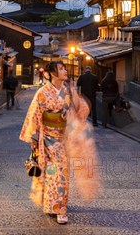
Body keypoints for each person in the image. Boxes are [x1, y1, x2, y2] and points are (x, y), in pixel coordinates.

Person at [20, 62, 99, 225]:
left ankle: (58, 206)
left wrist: (76, 97)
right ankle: (54, 205)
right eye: (61, 69)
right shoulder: (42, 93)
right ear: (51, 74)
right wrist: (34, 137)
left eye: (64, 68)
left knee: (60, 173)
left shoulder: (67, 91)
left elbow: (81, 112)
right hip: (46, 139)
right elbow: (34, 114)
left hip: (63, 138)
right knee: (52, 172)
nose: (65, 71)